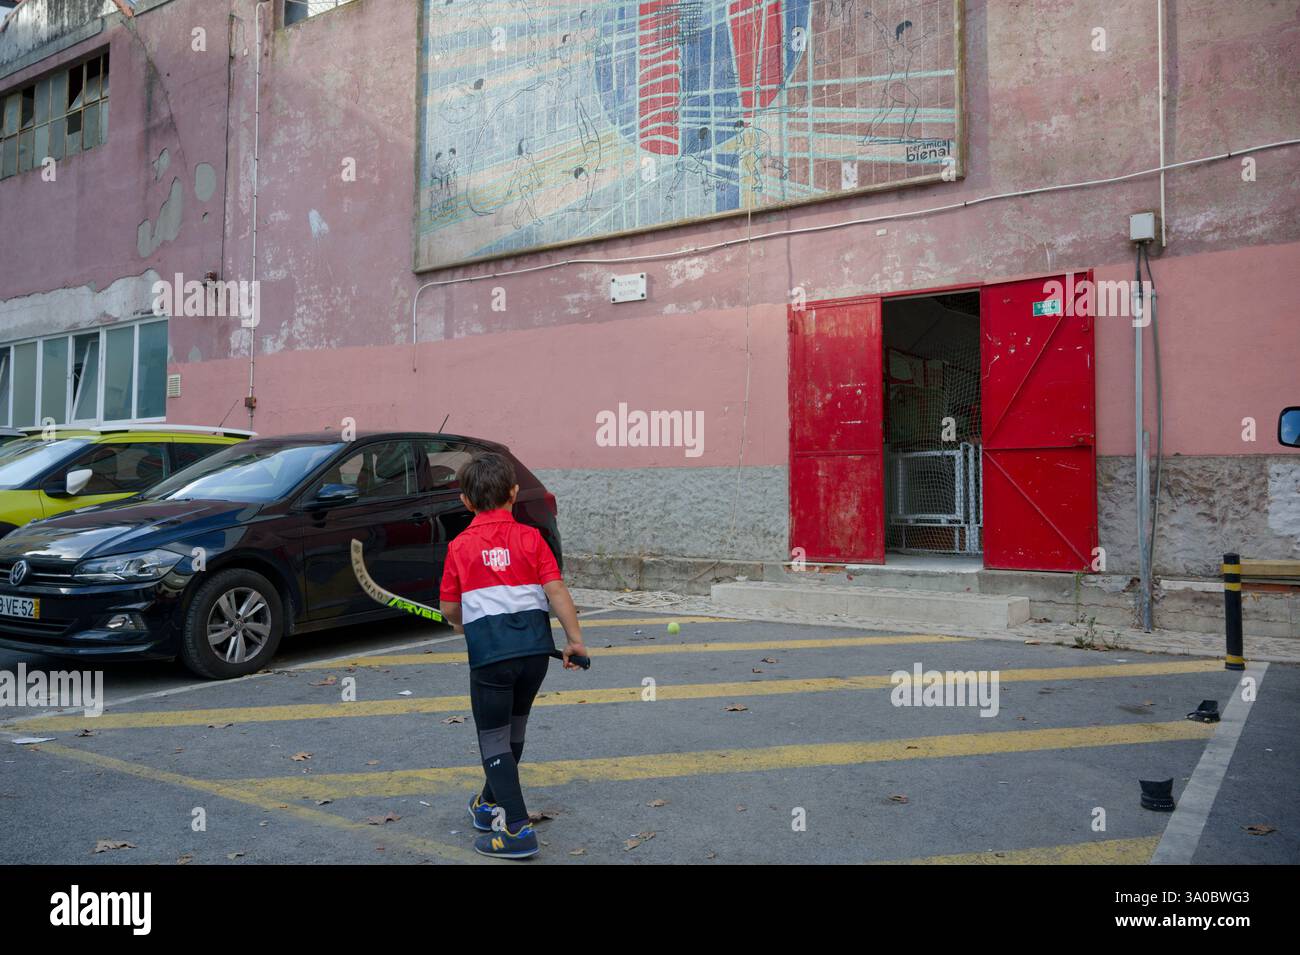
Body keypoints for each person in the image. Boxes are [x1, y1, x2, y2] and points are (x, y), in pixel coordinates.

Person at [438, 451, 587, 859]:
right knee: (513, 731)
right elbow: (556, 590)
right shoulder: (532, 538)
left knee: (492, 739)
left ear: (466, 502)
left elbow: (451, 609)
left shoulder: (460, 547)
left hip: (491, 659)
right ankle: (487, 806)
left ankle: (518, 829)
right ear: (514, 492)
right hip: (535, 656)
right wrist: (574, 640)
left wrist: (455, 619)